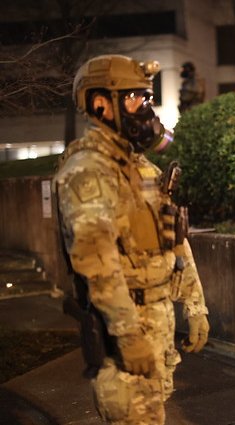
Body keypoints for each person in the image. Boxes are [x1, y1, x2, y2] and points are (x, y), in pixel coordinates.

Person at [55, 54, 210, 424]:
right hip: (127, 329)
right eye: (133, 99)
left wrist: (195, 305)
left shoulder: (140, 168)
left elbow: (175, 238)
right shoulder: (88, 171)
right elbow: (97, 264)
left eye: (146, 98)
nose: (145, 108)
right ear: (100, 104)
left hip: (157, 320)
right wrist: (126, 335)